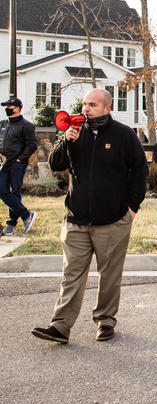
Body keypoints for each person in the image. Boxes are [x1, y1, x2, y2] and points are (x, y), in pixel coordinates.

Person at [31, 88, 148, 344]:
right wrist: (65, 140)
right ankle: (60, 326)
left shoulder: (123, 135)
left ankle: (105, 321)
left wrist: (132, 208)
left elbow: (139, 171)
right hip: (76, 218)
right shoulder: (74, 133)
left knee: (109, 275)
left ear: (107, 108)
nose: (86, 109)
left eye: (92, 105)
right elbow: (55, 164)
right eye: (84, 104)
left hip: (113, 220)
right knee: (71, 274)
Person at [0, 97, 38, 236]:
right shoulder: (2, 124)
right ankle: (26, 215)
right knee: (2, 191)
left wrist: (20, 159)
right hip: (3, 164)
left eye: (9, 107)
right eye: (6, 107)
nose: (7, 109)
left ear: (17, 108)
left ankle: (11, 224)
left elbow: (32, 144)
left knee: (15, 192)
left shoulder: (26, 125)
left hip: (17, 164)